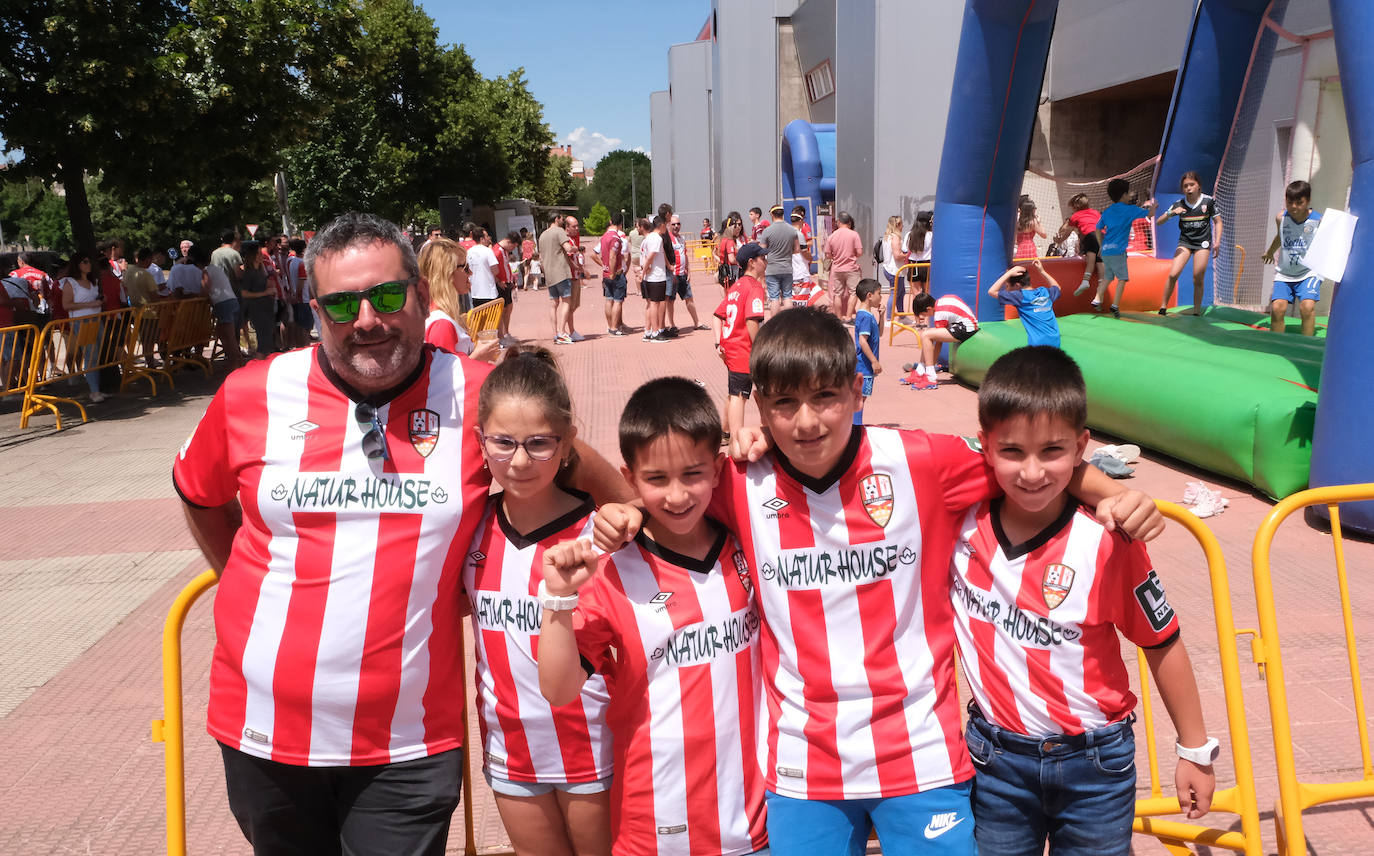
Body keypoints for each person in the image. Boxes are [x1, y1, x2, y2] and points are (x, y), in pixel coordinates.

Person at [593, 308, 1163, 856]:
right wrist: (625, 512)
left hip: (920, 752)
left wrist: (1113, 495)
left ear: (859, 390)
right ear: (759, 405)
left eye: (825, 397)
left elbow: (1026, 461)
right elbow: (668, 492)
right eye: (785, 403)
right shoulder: (739, 480)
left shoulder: (921, 462)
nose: (807, 421)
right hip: (803, 762)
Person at [173, 212, 629, 856]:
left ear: (420, 295)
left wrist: (638, 512)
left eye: (387, 296)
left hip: (408, 741)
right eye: (340, 304)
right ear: (314, 307)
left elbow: (590, 477)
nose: (367, 319)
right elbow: (199, 492)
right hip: (263, 730)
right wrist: (242, 582)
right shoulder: (254, 393)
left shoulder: (478, 395)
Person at [953, 345, 1216, 854]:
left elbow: (1162, 643)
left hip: (1096, 764)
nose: (1032, 472)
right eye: (1012, 452)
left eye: (1052, 451)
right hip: (995, 760)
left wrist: (1195, 751)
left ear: (1081, 447)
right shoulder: (957, 519)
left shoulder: (1109, 539)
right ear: (985, 446)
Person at [539, 377, 767, 856]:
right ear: (630, 474)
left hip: (759, 822)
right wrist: (558, 600)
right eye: (656, 479)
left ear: (719, 468)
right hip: (656, 827)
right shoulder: (612, 569)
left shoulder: (748, 537)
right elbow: (558, 689)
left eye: (692, 474)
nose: (678, 495)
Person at [465, 349, 614, 856]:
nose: (521, 461)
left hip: (595, 745)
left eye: (540, 444)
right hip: (510, 750)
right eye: (503, 443)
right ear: (480, 440)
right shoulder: (469, 528)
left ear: (568, 442)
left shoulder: (603, 532)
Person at [713, 242, 767, 446]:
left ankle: (725, 433)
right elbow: (752, 320)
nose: (766, 261)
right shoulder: (754, 287)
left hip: (730, 348)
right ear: (752, 263)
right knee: (739, 395)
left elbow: (717, 316)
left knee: (734, 391)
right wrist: (760, 347)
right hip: (743, 349)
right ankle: (737, 439)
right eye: (762, 258)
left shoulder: (735, 287)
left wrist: (718, 343)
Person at [1156, 171, 1222, 317]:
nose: (1189, 188)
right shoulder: (1179, 204)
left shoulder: (1208, 202)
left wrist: (1217, 241)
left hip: (1202, 243)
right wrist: (1171, 213)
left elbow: (1218, 222)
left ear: (1198, 186)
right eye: (1185, 186)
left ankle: (1196, 311)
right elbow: (1158, 222)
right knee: (1173, 274)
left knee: (1198, 276)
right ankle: (1163, 307)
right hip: (1185, 242)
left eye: (1192, 185)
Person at [1261, 179, 1322, 336]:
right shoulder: (1281, 218)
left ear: (1308, 201)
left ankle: (1306, 344)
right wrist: (1269, 252)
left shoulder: (1318, 220)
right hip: (1285, 273)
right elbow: (1280, 237)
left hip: (1309, 272)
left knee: (1307, 307)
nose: (1294, 207)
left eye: (1299, 202)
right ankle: (1276, 343)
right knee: (1277, 308)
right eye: (1290, 202)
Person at [1092, 179, 1156, 318]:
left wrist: (1101, 245)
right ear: (1124, 195)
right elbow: (1149, 215)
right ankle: (1115, 305)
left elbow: (1097, 228)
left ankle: (1097, 297)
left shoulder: (1108, 211)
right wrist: (1153, 208)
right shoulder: (1130, 209)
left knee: (1108, 276)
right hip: (1118, 251)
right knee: (1122, 279)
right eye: (1129, 193)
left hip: (1107, 250)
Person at [59, 252, 107, 402]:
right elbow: (66, 305)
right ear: (77, 264)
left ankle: (96, 389)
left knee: (96, 354)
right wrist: (90, 304)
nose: (89, 264)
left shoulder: (94, 281)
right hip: (81, 321)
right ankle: (94, 391)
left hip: (95, 319)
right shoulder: (70, 283)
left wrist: (100, 300)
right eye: (85, 261)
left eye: (89, 262)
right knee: (90, 355)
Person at [907, 292, 979, 390]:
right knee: (928, 334)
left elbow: (939, 343)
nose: (924, 317)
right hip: (967, 324)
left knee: (926, 335)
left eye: (924, 314)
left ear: (928, 309)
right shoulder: (942, 300)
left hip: (967, 328)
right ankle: (920, 371)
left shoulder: (940, 314)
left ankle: (930, 377)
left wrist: (931, 365)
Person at [988, 259, 1062, 348]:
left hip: (1038, 345)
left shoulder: (1020, 296)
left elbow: (992, 291)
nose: (1006, 290)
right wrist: (1042, 271)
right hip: (1055, 341)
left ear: (1017, 286)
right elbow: (1057, 287)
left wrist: (1009, 273)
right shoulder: (1044, 292)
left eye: (1007, 286)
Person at [539, 214, 578, 344]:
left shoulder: (542, 235)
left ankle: (555, 332)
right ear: (556, 219)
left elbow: (541, 257)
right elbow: (568, 248)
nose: (563, 221)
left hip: (549, 273)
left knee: (553, 303)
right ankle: (562, 332)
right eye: (561, 219)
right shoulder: (559, 231)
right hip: (561, 271)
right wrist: (575, 248)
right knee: (566, 301)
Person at [665, 213, 706, 333]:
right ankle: (672, 324)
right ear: (669, 225)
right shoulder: (667, 239)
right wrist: (670, 271)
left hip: (683, 274)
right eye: (673, 224)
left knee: (689, 298)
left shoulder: (681, 239)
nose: (676, 226)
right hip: (673, 275)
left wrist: (689, 270)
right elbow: (665, 257)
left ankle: (696, 322)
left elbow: (685, 255)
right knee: (671, 301)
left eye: (678, 224)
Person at [123, 248, 163, 367]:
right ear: (148, 259)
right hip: (149, 312)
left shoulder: (129, 271)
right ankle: (151, 364)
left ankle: (149, 363)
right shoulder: (145, 274)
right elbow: (154, 295)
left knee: (145, 340)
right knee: (149, 341)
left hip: (136, 311)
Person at [759, 204, 800, 317]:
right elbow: (797, 250)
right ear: (783, 214)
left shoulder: (767, 231)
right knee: (787, 296)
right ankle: (788, 323)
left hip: (772, 268)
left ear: (772, 214)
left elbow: (762, 251)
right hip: (787, 268)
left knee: (774, 297)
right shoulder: (792, 230)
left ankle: (775, 325)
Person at [238, 241, 277, 358]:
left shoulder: (259, 271)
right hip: (257, 309)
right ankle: (257, 365)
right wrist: (265, 292)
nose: (261, 256)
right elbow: (244, 293)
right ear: (253, 256)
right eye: (259, 253)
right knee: (263, 341)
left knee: (267, 340)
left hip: (265, 308)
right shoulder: (249, 273)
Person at [1059, 194, 1103, 298]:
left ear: (1075, 207)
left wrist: (1059, 240)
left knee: (1091, 258)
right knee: (1100, 261)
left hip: (1089, 235)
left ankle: (1085, 281)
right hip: (1101, 235)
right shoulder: (1095, 212)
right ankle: (1101, 283)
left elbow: (1068, 233)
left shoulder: (1075, 216)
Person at [853, 278, 883, 425]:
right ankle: (856, 429)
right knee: (860, 398)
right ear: (869, 296)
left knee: (860, 397)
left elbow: (880, 333)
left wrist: (882, 316)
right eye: (879, 294)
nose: (881, 297)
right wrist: (874, 361)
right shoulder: (865, 316)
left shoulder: (868, 315)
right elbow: (862, 340)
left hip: (864, 365)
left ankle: (855, 427)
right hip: (863, 365)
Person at [824, 212, 863, 322]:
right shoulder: (854, 234)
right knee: (853, 293)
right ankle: (849, 317)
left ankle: (839, 317)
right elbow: (860, 252)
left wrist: (835, 257)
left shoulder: (832, 236)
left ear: (838, 222)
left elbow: (827, 254)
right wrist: (852, 256)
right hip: (851, 268)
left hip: (837, 268)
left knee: (837, 294)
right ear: (849, 222)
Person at [595, 211, 628, 336]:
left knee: (609, 300)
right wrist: (613, 272)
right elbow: (613, 256)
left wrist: (604, 266)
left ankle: (610, 326)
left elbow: (595, 254)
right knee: (618, 300)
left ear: (610, 222)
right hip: (615, 273)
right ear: (621, 224)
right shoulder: (615, 238)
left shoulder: (604, 237)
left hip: (605, 273)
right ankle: (614, 327)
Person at [638, 215, 670, 342]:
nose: (666, 228)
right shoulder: (656, 238)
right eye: (666, 225)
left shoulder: (649, 238)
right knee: (654, 304)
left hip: (651, 276)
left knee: (651, 304)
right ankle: (655, 332)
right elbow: (651, 256)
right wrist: (644, 271)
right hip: (655, 276)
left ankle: (648, 331)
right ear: (661, 225)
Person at [879, 215, 906, 316]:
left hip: (892, 269)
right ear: (898, 225)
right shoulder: (895, 237)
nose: (903, 226)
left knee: (901, 293)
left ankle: (901, 315)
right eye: (901, 224)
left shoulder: (887, 237)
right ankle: (889, 317)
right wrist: (908, 255)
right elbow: (897, 255)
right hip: (894, 270)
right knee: (895, 294)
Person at [903, 211, 933, 299]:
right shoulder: (931, 235)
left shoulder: (909, 234)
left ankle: (917, 312)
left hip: (914, 265)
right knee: (927, 293)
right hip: (927, 265)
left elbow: (905, 249)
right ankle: (927, 312)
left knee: (916, 294)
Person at [716, 217, 739, 288]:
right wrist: (739, 262)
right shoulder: (729, 242)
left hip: (725, 272)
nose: (737, 228)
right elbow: (731, 259)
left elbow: (718, 255)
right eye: (735, 226)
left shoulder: (722, 240)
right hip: (732, 271)